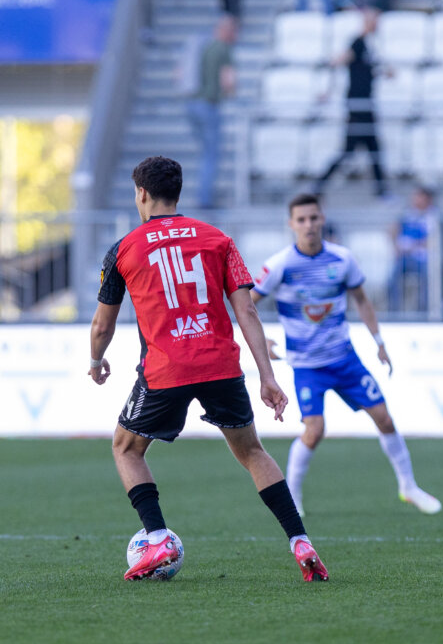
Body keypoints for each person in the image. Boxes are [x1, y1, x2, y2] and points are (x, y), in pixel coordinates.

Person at [88, 157, 328, 582]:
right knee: (252, 452)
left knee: (126, 448)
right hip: (221, 363)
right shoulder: (218, 239)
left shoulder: (124, 248)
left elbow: (102, 325)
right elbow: (247, 313)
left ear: (141, 193)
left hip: (166, 368)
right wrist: (267, 376)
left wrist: (96, 359)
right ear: (177, 193)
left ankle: (157, 537)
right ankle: (300, 541)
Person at [251, 193, 441, 517]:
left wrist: (378, 341)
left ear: (322, 219)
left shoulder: (342, 259)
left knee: (384, 418)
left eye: (313, 218)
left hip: (344, 359)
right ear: (291, 224)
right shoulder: (281, 264)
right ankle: (292, 496)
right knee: (314, 430)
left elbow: (362, 300)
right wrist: (263, 338)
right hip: (307, 366)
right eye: (301, 220)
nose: (309, 225)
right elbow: (247, 303)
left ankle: (408, 486)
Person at [313, 8, 388, 200]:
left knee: (372, 148)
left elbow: (365, 70)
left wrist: (382, 72)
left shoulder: (370, 45)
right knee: (352, 150)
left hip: (366, 104)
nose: (377, 24)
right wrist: (327, 90)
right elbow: (337, 62)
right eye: (374, 20)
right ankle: (319, 184)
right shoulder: (357, 43)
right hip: (357, 105)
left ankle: (382, 190)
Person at [187, 15, 237, 209]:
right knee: (211, 155)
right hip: (208, 105)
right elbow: (228, 81)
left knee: (205, 153)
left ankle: (204, 194)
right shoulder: (223, 49)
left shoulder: (203, 46)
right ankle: (205, 199)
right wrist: (232, 93)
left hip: (192, 103)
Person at [389, 186, 437, 312]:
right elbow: (393, 229)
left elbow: (433, 240)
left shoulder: (432, 216)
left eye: (419, 197)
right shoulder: (407, 214)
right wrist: (395, 245)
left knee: (428, 278)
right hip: (405, 257)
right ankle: (394, 311)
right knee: (392, 278)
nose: (415, 200)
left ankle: (424, 312)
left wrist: (412, 246)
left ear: (427, 199)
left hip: (424, 258)